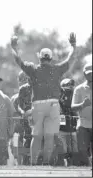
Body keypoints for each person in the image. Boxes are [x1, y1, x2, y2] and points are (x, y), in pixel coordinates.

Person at [10, 33, 77, 165]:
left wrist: (14, 47)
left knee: (36, 136)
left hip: (38, 106)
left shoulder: (33, 69)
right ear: (51, 58)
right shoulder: (57, 69)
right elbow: (70, 59)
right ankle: (46, 163)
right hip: (53, 105)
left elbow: (18, 61)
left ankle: (34, 163)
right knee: (49, 137)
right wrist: (73, 46)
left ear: (40, 58)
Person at [10, 71, 32, 165]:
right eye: (20, 79)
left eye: (24, 78)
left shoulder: (35, 93)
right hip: (19, 131)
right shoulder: (14, 98)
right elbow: (12, 115)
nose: (22, 81)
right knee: (18, 156)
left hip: (31, 128)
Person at [72, 63, 92, 166]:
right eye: (88, 73)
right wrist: (83, 105)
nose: (91, 75)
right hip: (83, 123)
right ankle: (87, 165)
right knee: (82, 149)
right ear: (84, 74)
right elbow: (73, 106)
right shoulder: (79, 89)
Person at [56, 78, 79, 166]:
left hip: (73, 126)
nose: (70, 87)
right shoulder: (59, 95)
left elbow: (75, 111)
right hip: (63, 126)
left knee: (73, 145)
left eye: (71, 85)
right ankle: (65, 162)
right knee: (64, 145)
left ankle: (74, 163)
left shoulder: (75, 95)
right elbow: (60, 112)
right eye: (68, 85)